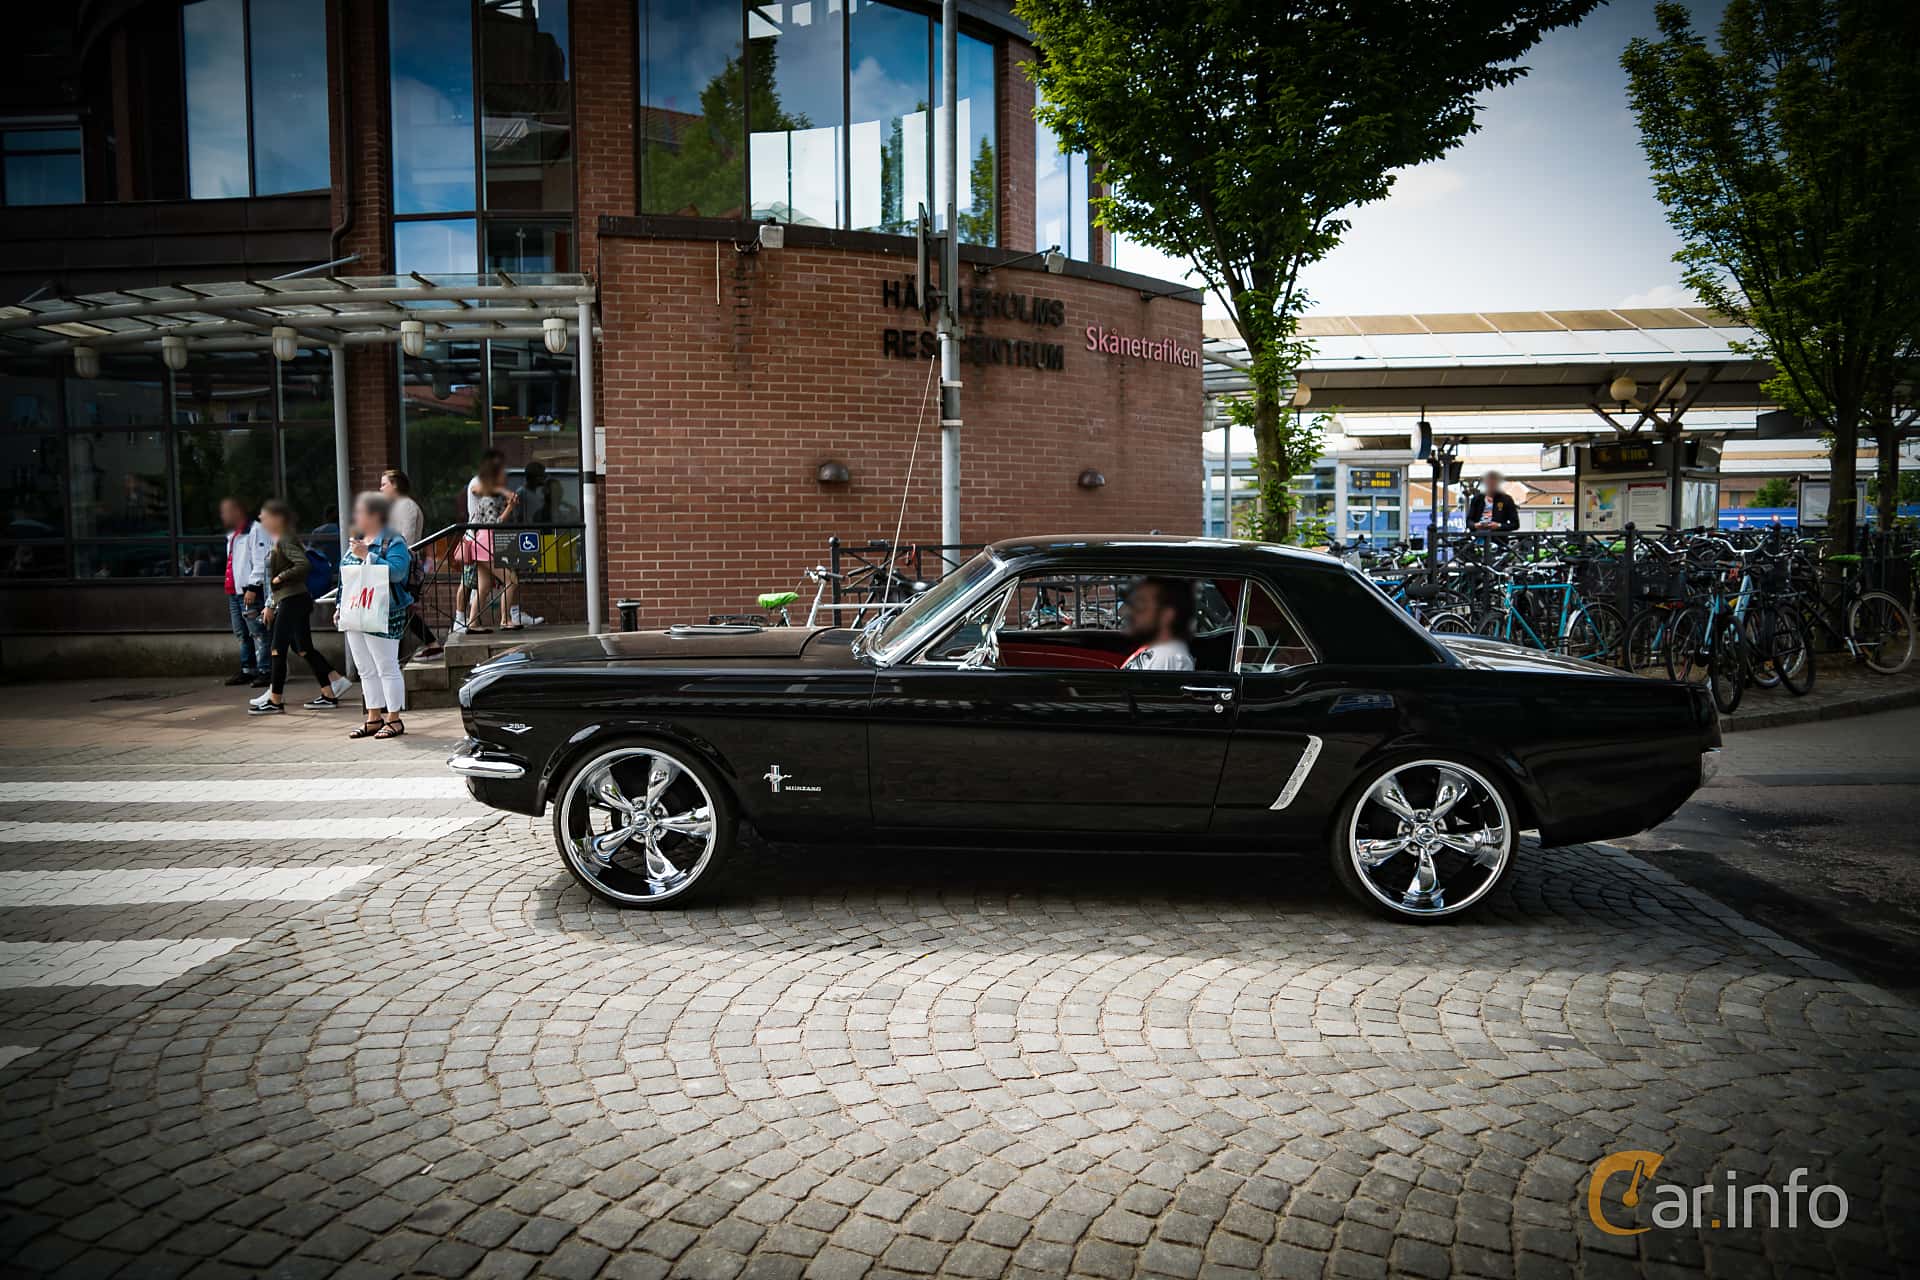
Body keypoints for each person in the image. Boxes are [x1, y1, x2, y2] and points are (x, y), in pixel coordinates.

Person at [248, 500, 354, 716]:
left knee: (277, 649)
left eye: (265, 517)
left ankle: (275, 700)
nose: (262, 521)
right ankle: (329, 694)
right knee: (304, 647)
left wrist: (279, 577)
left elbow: (303, 564)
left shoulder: (285, 539)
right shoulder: (279, 539)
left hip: (292, 600)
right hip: (291, 599)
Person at [336, 491, 413, 739]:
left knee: (386, 666)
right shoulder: (359, 539)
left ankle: (394, 719)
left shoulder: (393, 541)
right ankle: (373, 717)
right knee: (365, 668)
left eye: (360, 512)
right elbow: (345, 579)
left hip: (385, 611)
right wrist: (339, 606)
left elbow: (398, 573)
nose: (356, 516)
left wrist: (368, 556)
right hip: (355, 612)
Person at [453, 450, 517, 634]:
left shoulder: (487, 497)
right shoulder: (486, 497)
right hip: (485, 544)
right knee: (511, 580)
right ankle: (506, 619)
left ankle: (472, 623)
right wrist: (510, 508)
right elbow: (493, 524)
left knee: (484, 585)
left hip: (479, 543)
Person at [381, 469, 440, 659]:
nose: (381, 488)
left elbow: (407, 539)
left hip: (403, 566)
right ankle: (430, 644)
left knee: (399, 608)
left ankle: (429, 644)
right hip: (398, 564)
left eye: (384, 484)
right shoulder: (397, 506)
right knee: (400, 609)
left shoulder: (406, 506)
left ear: (395, 485)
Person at [221, 497, 272, 687]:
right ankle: (248, 669)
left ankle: (266, 670)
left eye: (226, 511)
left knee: (258, 632)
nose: (223, 515)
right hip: (234, 591)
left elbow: (261, 561)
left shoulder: (255, 530)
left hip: (249, 591)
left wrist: (252, 586)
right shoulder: (234, 534)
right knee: (242, 633)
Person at [1121, 577, 1196, 671]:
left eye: (1141, 606)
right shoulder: (1159, 651)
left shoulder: (1169, 657)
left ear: (1166, 616)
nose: (1128, 612)